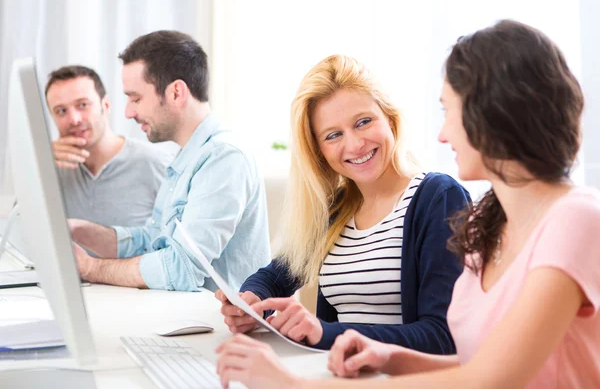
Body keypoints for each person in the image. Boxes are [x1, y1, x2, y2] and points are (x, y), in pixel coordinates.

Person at [215, 20, 600, 389]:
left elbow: (486, 380)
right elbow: (474, 362)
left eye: (449, 110)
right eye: (333, 134)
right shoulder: (491, 220)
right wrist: (386, 356)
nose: (442, 132)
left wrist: (292, 384)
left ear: (495, 114)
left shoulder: (575, 218)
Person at [216, 54, 470, 353]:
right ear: (318, 150)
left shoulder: (438, 198)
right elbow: (274, 277)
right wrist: (252, 301)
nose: (354, 144)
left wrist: (326, 333)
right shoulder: (336, 210)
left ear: (389, 118)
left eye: (363, 122)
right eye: (333, 135)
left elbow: (442, 336)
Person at [68, 30, 271, 292]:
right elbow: (153, 241)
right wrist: (80, 231)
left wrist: (89, 268)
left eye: (136, 98)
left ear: (176, 93)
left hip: (220, 325)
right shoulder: (185, 158)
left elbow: (180, 269)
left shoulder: (224, 158)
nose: (129, 112)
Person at [45, 65, 171, 227]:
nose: (74, 119)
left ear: (106, 105)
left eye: (83, 105)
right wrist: (38, 167)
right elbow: (21, 231)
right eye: (61, 111)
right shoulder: (49, 168)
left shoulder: (156, 164)